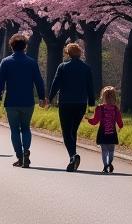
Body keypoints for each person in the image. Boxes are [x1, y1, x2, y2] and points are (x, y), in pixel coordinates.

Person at [0, 33, 47, 168]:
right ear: (25, 47)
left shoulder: (6, 62)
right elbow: (39, 82)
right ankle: (26, 150)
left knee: (15, 130)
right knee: (26, 128)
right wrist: (41, 97)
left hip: (11, 101)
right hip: (28, 101)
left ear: (11, 46)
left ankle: (20, 156)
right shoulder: (31, 62)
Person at [48, 42, 96, 172]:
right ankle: (73, 156)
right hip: (81, 103)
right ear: (79, 53)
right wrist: (91, 102)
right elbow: (90, 86)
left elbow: (55, 83)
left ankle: (73, 156)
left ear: (67, 53)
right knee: (73, 130)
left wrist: (50, 98)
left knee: (66, 131)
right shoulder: (86, 68)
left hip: (65, 102)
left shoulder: (63, 67)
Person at [87, 85, 124, 173]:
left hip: (102, 133)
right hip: (112, 133)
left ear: (102, 97)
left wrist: (88, 120)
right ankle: (109, 162)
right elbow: (120, 123)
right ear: (114, 97)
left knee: (104, 151)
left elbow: (95, 121)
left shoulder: (99, 108)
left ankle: (105, 166)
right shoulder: (116, 109)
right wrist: (121, 125)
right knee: (111, 150)